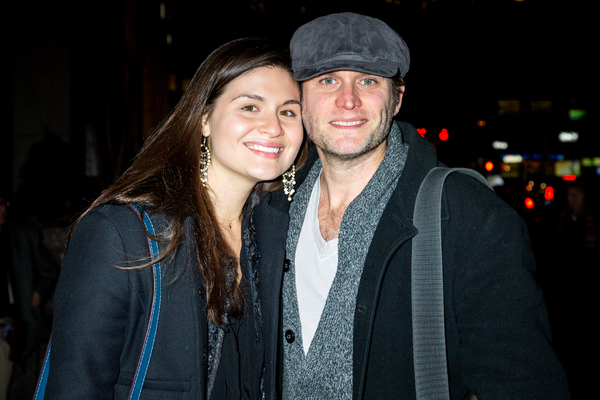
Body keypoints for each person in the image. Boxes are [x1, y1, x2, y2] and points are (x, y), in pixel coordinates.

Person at [266, 12, 570, 399]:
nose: (348, 100)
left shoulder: (470, 218)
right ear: (301, 98)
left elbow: (522, 384)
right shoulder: (271, 207)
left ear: (396, 99)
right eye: (328, 80)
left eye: (368, 80)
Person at [44, 37, 306, 399]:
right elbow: (73, 386)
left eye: (289, 112)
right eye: (250, 107)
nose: (273, 127)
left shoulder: (277, 235)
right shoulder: (121, 233)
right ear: (204, 120)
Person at [0, 192, 56, 399]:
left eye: (3, 202)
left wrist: (37, 295)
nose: (3, 209)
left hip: (19, 319)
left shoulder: (22, 234)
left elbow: (48, 270)